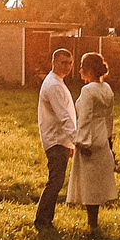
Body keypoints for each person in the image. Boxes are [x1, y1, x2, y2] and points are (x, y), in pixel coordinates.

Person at [68, 52, 117, 232]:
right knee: (97, 180)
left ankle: (92, 224)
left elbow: (85, 118)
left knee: (89, 182)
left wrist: (81, 142)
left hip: (89, 138)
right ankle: (93, 222)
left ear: (88, 69)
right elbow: (109, 117)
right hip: (102, 136)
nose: (80, 70)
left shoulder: (88, 90)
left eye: (82, 66)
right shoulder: (107, 89)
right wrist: (109, 140)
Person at [33, 46, 77, 228]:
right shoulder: (53, 85)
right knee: (55, 181)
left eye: (70, 63)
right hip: (55, 140)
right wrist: (77, 141)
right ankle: (42, 221)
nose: (67, 66)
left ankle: (44, 220)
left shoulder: (58, 82)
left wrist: (71, 144)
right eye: (63, 63)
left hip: (61, 140)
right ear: (53, 63)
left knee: (57, 181)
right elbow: (63, 116)